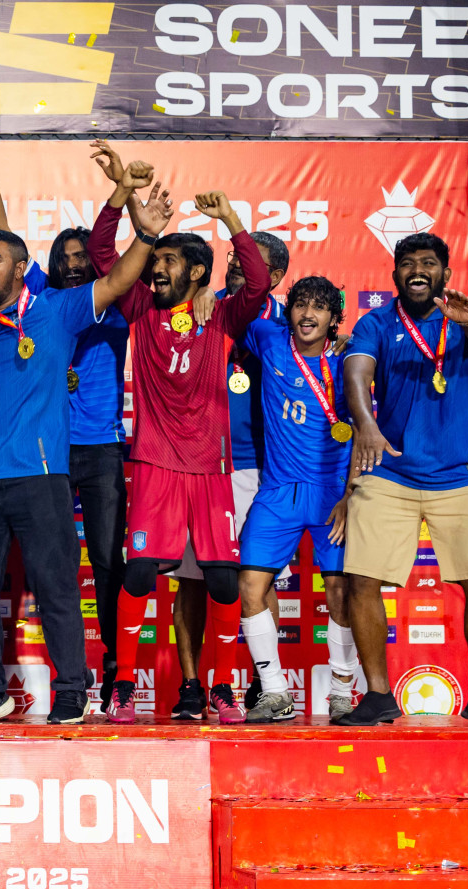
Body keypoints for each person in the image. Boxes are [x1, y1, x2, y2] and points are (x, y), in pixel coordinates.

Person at [0, 118, 172, 724]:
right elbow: (0, 235)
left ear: (22, 271)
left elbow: (118, 277)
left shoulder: (55, 310)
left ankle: (74, 689)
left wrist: (145, 235)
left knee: (58, 589)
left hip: (43, 477)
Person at [87, 142, 269, 725]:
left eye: (166, 260)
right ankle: (121, 685)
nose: (154, 268)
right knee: (140, 572)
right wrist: (123, 198)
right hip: (157, 466)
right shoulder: (141, 309)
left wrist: (231, 222)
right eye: (153, 258)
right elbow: (99, 252)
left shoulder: (222, 317)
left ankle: (220, 689)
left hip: (213, 471)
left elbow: (260, 283)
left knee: (221, 581)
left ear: (194, 271)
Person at [340, 232, 468, 727]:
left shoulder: (466, 310)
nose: (418, 270)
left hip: (462, 473)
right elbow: (355, 372)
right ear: (394, 275)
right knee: (362, 581)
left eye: (429, 263)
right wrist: (365, 424)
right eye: (408, 263)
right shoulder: (376, 321)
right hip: (390, 470)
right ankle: (377, 694)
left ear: (445, 274)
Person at [173, 232, 291, 714]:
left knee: (259, 579)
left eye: (250, 262)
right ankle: (191, 684)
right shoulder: (201, 306)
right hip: (199, 466)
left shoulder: (291, 324)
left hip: (259, 469)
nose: (238, 267)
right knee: (192, 580)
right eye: (234, 259)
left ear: (275, 276)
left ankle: (267, 682)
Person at [235, 277, 361, 722]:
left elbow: (364, 434)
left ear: (333, 317)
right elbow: (240, 308)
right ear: (288, 312)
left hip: (332, 493)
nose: (309, 314)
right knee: (250, 585)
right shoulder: (268, 338)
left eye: (320, 308)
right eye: (301, 305)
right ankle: (275, 692)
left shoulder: (351, 360)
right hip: (279, 490)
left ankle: (344, 692)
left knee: (341, 589)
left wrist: (350, 495)